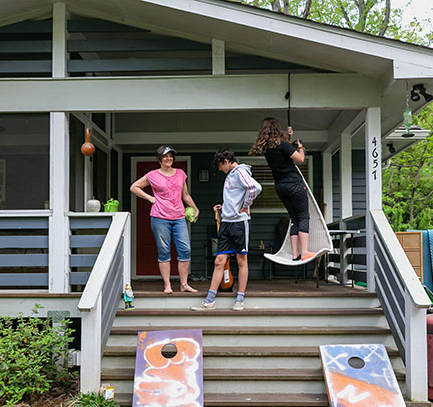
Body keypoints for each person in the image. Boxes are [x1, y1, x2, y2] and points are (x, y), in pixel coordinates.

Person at [192, 147, 261, 311]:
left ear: (226, 161)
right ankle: (209, 300)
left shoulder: (239, 171)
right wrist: (225, 208)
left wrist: (246, 205)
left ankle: (240, 299)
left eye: (220, 165)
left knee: (241, 260)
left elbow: (255, 188)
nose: (219, 169)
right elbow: (235, 195)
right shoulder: (231, 175)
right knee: (219, 261)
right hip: (226, 222)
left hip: (239, 223)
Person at [130, 145, 200, 294]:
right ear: (159, 159)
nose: (169, 158)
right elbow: (134, 187)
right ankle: (167, 285)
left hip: (179, 217)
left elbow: (185, 194)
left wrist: (194, 208)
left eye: (171, 156)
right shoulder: (153, 175)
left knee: (185, 250)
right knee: (164, 251)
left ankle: (184, 284)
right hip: (160, 217)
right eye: (165, 156)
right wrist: (150, 198)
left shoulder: (180, 173)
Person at [249, 117, 312, 261]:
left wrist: (289, 137)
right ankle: (304, 253)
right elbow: (300, 159)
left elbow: (283, 151)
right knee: (303, 217)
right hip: (294, 184)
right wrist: (300, 147)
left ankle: (295, 254)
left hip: (280, 186)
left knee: (294, 219)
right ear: (277, 128)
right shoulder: (282, 144)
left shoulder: (267, 148)